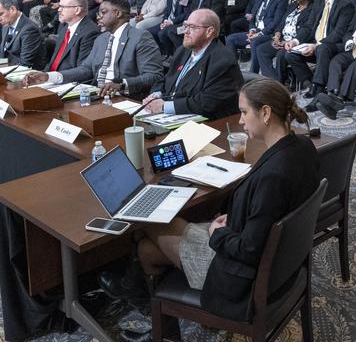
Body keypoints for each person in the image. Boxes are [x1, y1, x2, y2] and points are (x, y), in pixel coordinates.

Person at [99, 78, 319, 324]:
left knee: (146, 223)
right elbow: (267, 215)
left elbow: (249, 249)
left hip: (238, 275)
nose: (240, 120)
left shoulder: (273, 176)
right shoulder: (303, 145)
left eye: (244, 112)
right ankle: (145, 302)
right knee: (146, 248)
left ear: (265, 112)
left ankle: (152, 313)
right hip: (273, 259)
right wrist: (236, 216)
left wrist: (217, 234)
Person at [24, 0, 164, 98]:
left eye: (103, 12)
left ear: (118, 14)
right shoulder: (101, 39)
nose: (98, 17)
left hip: (125, 98)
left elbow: (153, 76)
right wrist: (49, 76)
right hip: (97, 95)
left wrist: (122, 84)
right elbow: (86, 69)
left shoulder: (140, 37)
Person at [143, 9, 243, 119]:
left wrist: (164, 106)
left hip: (207, 123)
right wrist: (155, 95)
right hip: (172, 116)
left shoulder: (223, 59)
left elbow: (208, 102)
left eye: (193, 27)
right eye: (186, 26)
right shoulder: (182, 51)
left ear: (209, 31)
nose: (186, 31)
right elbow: (167, 78)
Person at [285, 0, 355, 97]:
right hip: (314, 42)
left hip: (334, 45)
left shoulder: (345, 4)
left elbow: (339, 33)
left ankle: (318, 88)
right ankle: (309, 82)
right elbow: (308, 26)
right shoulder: (318, 1)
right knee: (290, 53)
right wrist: (295, 41)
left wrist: (316, 45)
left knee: (322, 49)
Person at [224, 0, 287, 73]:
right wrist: (252, 30)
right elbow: (252, 17)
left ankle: (253, 74)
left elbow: (276, 21)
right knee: (231, 39)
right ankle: (232, 71)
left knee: (255, 41)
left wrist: (260, 34)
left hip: (268, 34)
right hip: (256, 31)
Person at [257, 0, 315, 82]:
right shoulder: (292, 6)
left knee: (281, 55)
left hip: (296, 42)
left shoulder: (312, 9)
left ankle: (281, 83)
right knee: (261, 50)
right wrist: (277, 36)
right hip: (282, 39)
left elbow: (306, 30)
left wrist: (289, 42)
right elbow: (281, 23)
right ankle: (273, 81)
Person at [44, 0, 101, 72]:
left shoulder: (90, 32)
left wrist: (52, 77)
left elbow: (83, 70)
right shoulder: (65, 29)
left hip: (68, 81)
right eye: (59, 6)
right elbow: (53, 62)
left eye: (63, 7)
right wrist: (42, 75)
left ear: (77, 10)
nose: (59, 10)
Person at [0, 0, 45, 69]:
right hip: (7, 69)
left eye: (0, 14)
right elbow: (2, 53)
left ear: (13, 9)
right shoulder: (6, 24)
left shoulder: (29, 29)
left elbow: (25, 64)